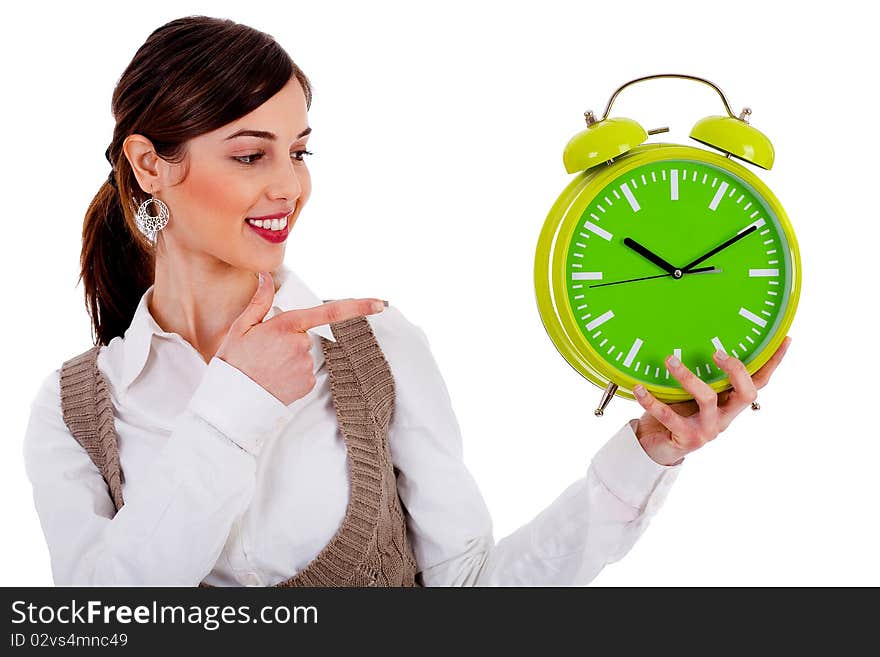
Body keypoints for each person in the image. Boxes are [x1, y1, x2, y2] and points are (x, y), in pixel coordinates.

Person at [22, 15, 791, 587]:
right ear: (150, 163)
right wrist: (237, 401)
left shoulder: (376, 346)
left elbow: (468, 591)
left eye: (299, 151)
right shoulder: (73, 406)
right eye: (251, 154)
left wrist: (649, 452)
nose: (288, 185)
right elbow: (103, 621)